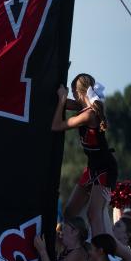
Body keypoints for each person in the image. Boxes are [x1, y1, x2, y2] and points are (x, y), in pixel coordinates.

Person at [52, 74, 115, 237]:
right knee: (69, 214)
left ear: (79, 93)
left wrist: (61, 100)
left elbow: (56, 126)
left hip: (105, 168)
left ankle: (103, 255)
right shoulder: (85, 108)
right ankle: (81, 248)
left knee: (93, 215)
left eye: (73, 93)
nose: (72, 97)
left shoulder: (89, 114)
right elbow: (66, 103)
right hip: (92, 167)